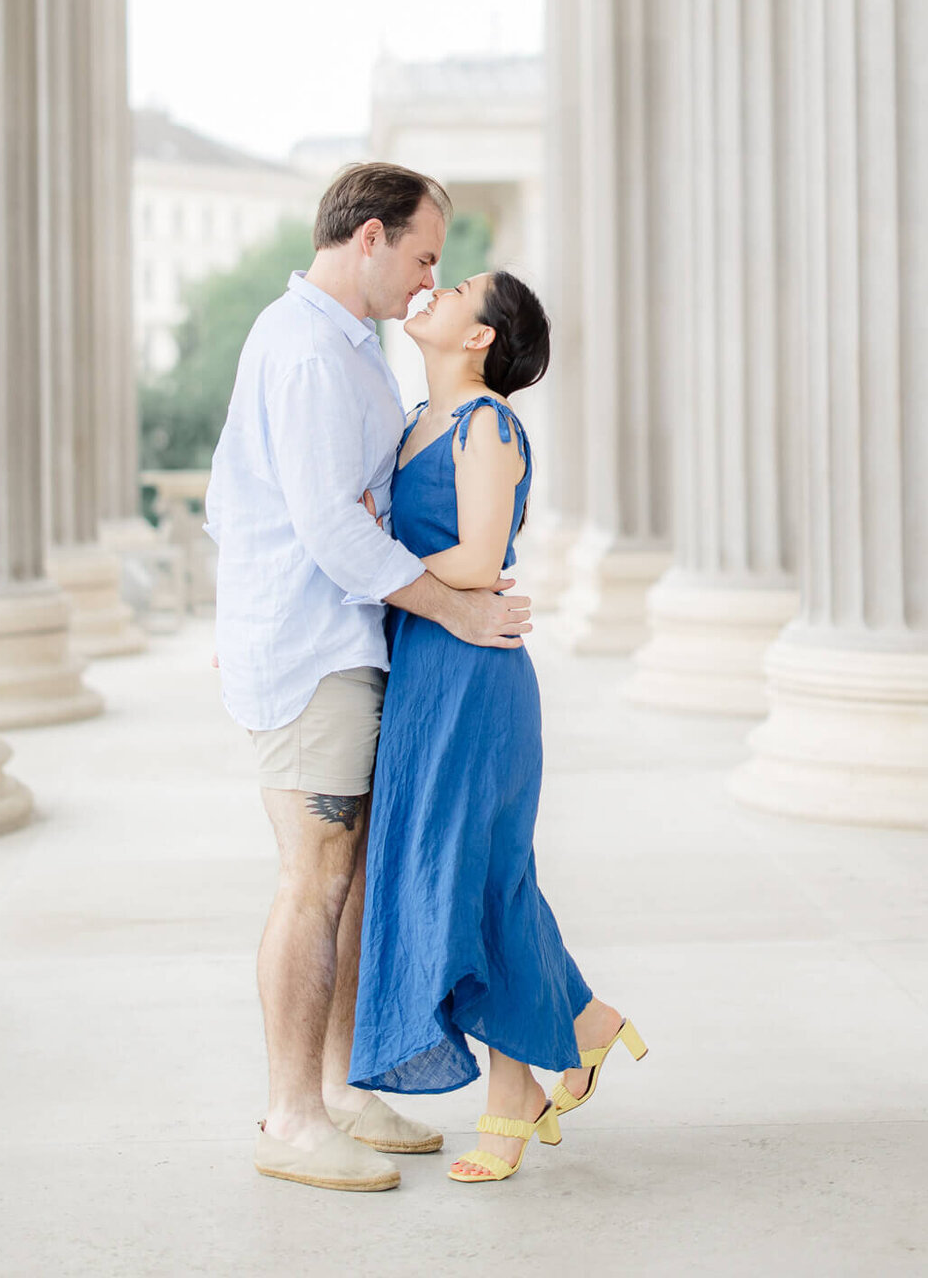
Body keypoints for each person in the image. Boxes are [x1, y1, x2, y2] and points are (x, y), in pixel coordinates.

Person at [205, 165, 532, 1194]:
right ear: (371, 239)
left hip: (343, 643)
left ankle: (340, 1092)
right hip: (311, 651)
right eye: (425, 255)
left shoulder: (347, 352)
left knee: (343, 881)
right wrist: (455, 603)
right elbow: (327, 525)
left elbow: (272, 504)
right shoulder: (305, 351)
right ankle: (293, 1118)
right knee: (314, 879)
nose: (429, 279)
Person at [348, 269, 647, 1184]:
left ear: (481, 338)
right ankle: (582, 1027)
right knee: (464, 878)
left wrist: (368, 558)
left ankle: (527, 1084)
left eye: (460, 288)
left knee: (483, 879)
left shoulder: (487, 423)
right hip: (426, 668)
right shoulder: (414, 424)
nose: (434, 291)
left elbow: (481, 558)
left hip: (475, 675)